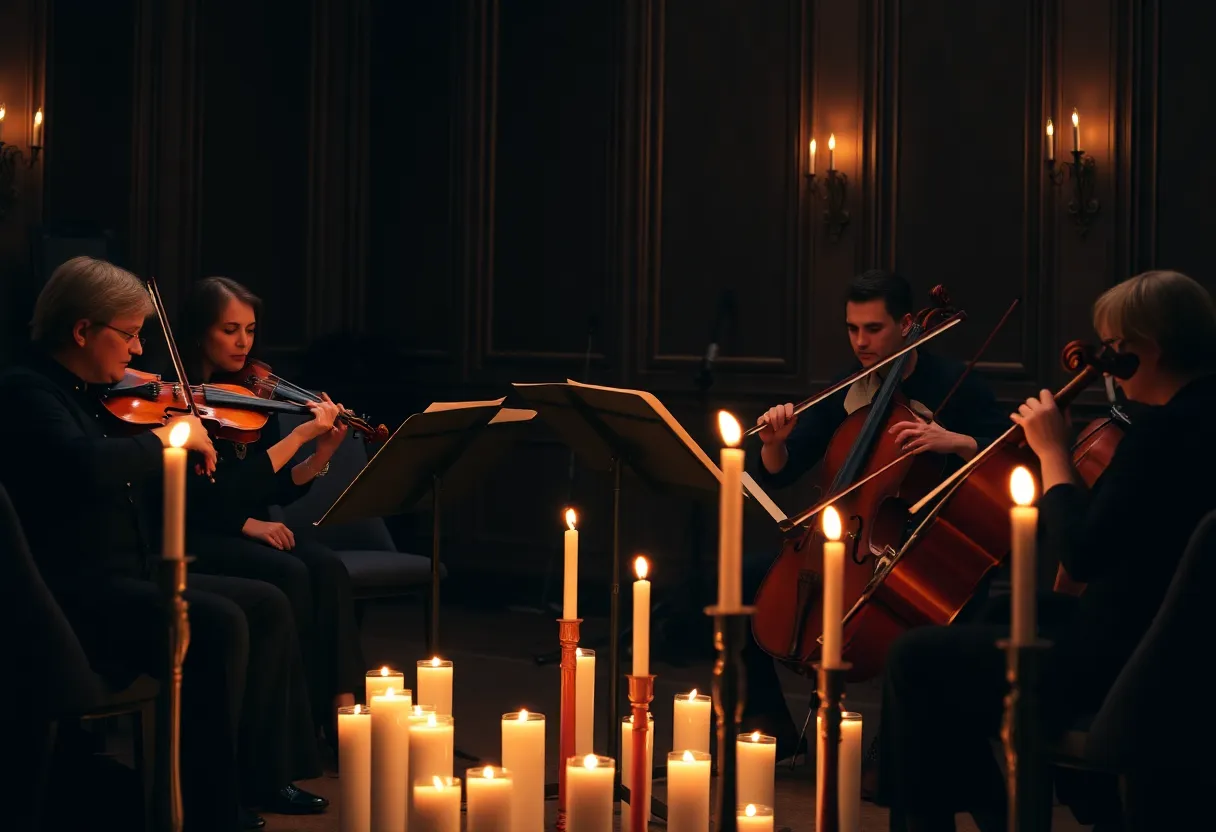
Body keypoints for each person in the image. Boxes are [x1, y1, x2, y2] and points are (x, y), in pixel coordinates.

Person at [876, 270, 1216, 831]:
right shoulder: (1199, 417)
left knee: (914, 658)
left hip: (1131, 663)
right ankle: (999, 814)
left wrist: (1053, 453)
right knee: (991, 613)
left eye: (1113, 348)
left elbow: (1082, 554)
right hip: (1166, 638)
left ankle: (962, 818)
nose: (1103, 362)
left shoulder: (1161, 434)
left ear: (1148, 350)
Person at [0, 257, 328, 830]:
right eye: (128, 335)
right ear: (82, 331)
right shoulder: (27, 391)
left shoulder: (89, 388)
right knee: (217, 623)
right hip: (73, 593)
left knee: (267, 602)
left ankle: (258, 775)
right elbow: (82, 466)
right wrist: (172, 435)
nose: (136, 352)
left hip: (132, 571)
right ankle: (205, 804)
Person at [744, 269, 1010, 756]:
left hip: (924, 546)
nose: (861, 343)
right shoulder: (847, 386)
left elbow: (1016, 452)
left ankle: (897, 752)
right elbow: (781, 471)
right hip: (847, 541)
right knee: (744, 581)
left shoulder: (956, 382)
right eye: (852, 329)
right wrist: (774, 445)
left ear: (908, 324)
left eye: (873, 329)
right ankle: (768, 721)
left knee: (918, 612)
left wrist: (957, 441)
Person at [178, 276, 365, 745]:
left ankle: (343, 712)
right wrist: (297, 438)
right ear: (200, 332)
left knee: (327, 566)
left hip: (238, 524)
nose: (244, 343)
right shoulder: (179, 402)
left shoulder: (247, 396)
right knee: (292, 573)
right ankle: (289, 728)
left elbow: (272, 484)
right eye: (229, 330)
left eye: (251, 329)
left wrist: (321, 454)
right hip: (199, 531)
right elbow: (198, 496)